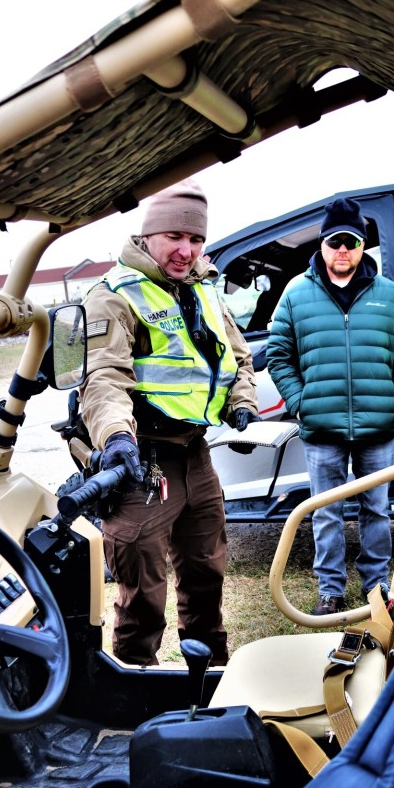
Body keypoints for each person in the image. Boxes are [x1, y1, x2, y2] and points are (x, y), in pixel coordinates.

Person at [79, 179, 260, 666]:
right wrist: (117, 438)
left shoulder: (203, 289)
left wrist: (241, 401)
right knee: (143, 594)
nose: (186, 250)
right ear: (148, 235)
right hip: (141, 462)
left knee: (207, 576)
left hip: (197, 458)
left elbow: (239, 358)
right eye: (175, 237)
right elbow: (102, 378)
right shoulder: (114, 295)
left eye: (196, 239)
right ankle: (138, 690)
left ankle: (212, 677)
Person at [267, 197, 394, 616]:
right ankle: (330, 590)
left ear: (362, 247)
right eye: (335, 241)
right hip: (322, 429)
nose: (343, 250)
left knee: (376, 508)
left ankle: (377, 587)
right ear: (322, 244)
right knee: (326, 511)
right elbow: (279, 353)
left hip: (378, 427)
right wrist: (302, 401)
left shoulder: (388, 295)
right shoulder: (296, 294)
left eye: (351, 242)